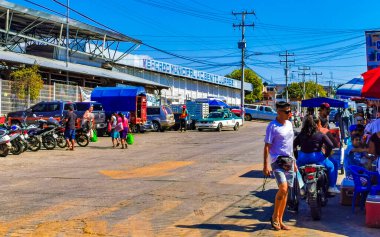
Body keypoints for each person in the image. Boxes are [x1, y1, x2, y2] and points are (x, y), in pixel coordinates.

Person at [263, 101, 294, 231]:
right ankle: (275, 217)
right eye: (287, 112)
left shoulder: (290, 124)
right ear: (279, 112)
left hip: (289, 161)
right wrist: (265, 165)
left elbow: (290, 145)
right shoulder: (272, 126)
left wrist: (295, 162)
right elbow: (267, 146)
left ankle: (280, 220)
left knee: (286, 192)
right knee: (283, 187)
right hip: (277, 161)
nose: (290, 114)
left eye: (290, 111)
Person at [294, 116, 339, 194]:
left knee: (296, 170)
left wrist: (297, 157)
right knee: (331, 166)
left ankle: (301, 188)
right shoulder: (320, 134)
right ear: (316, 124)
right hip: (317, 158)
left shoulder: (301, 134)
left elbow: (294, 145)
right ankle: (332, 187)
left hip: (302, 158)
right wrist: (326, 156)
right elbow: (331, 145)